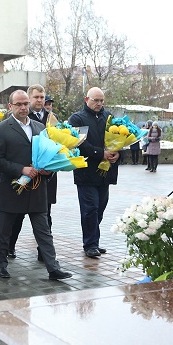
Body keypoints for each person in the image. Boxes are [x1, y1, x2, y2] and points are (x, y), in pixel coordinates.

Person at [0, 89, 72, 280]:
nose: (23, 107)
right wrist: (21, 169)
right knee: (3, 231)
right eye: (18, 104)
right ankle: (1, 265)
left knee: (44, 231)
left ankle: (53, 267)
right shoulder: (1, 129)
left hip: (36, 189)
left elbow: (48, 155)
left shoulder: (40, 128)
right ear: (10, 107)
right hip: (11, 188)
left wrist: (48, 170)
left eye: (25, 103)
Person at [68, 87, 119, 258]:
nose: (98, 104)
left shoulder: (109, 117)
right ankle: (90, 244)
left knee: (100, 209)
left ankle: (93, 241)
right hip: (86, 172)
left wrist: (117, 152)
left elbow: (119, 137)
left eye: (101, 101)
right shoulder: (77, 118)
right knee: (90, 208)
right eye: (95, 100)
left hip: (105, 173)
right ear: (86, 99)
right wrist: (100, 153)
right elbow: (80, 144)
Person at [9, 85, 56, 260]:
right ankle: (10, 246)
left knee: (44, 215)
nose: (39, 100)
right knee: (17, 216)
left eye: (42, 97)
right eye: (36, 97)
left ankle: (43, 251)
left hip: (44, 175)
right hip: (23, 172)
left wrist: (50, 166)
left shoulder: (51, 118)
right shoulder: (19, 117)